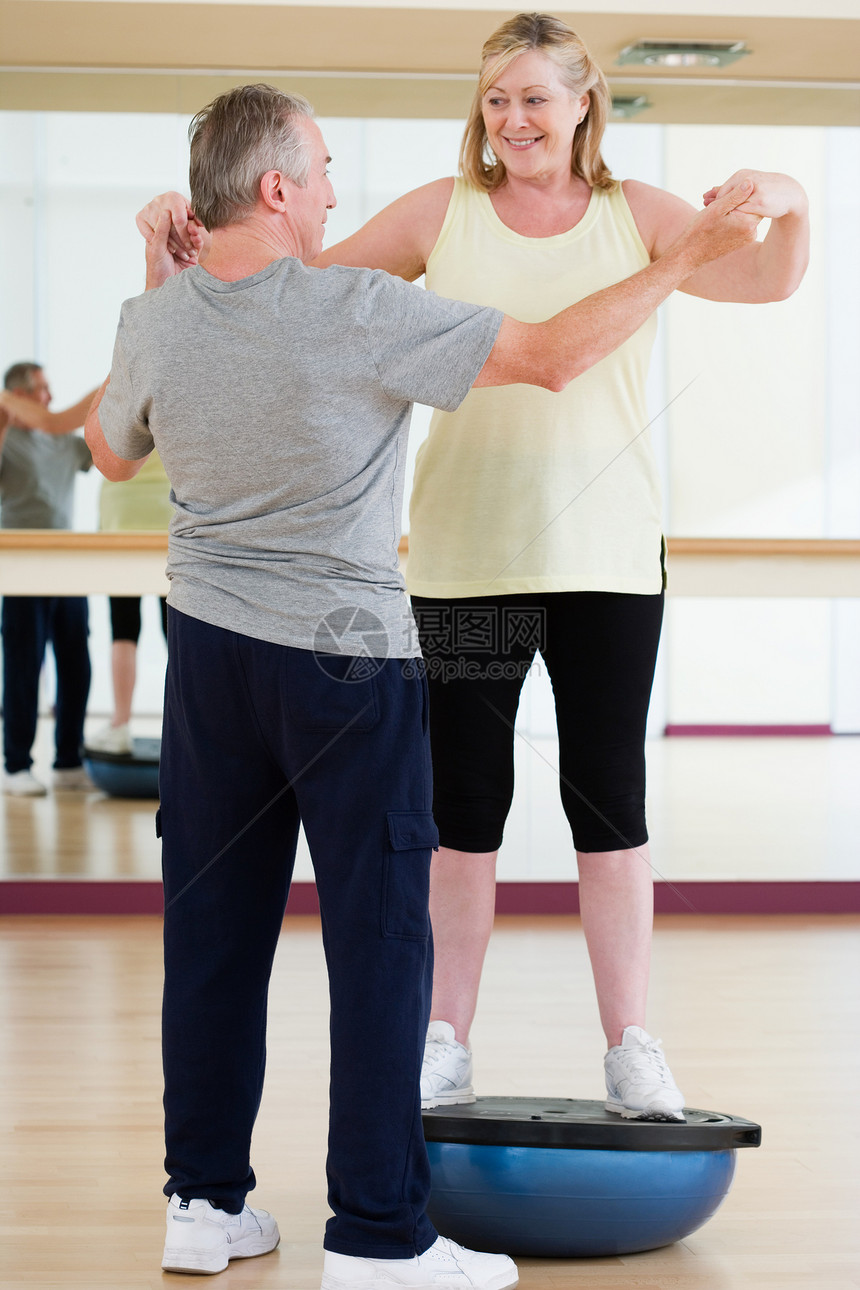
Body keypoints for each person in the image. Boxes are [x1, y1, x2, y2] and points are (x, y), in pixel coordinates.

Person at [105, 85, 757, 1285]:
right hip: (343, 661)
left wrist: (158, 279)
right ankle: (376, 1237)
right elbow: (554, 358)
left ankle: (202, 1206)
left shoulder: (155, 319)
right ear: (277, 189)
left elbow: (111, 449)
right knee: (378, 943)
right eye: (326, 169)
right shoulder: (357, 307)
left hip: (204, 661)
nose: (340, 193)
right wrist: (691, 255)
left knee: (210, 936)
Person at [0, 364, 99, 796]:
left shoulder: (63, 442)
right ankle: (16, 764)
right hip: (23, 569)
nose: (50, 396)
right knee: (24, 666)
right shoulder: (8, 443)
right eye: (41, 389)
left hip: (68, 565)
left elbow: (104, 452)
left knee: (76, 663)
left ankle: (68, 761)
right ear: (18, 395)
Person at [86, 451, 172, 755]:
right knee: (176, 632)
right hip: (167, 512)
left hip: (122, 513)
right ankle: (183, 726)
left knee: (122, 629)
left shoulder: (107, 399)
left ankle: (120, 725)